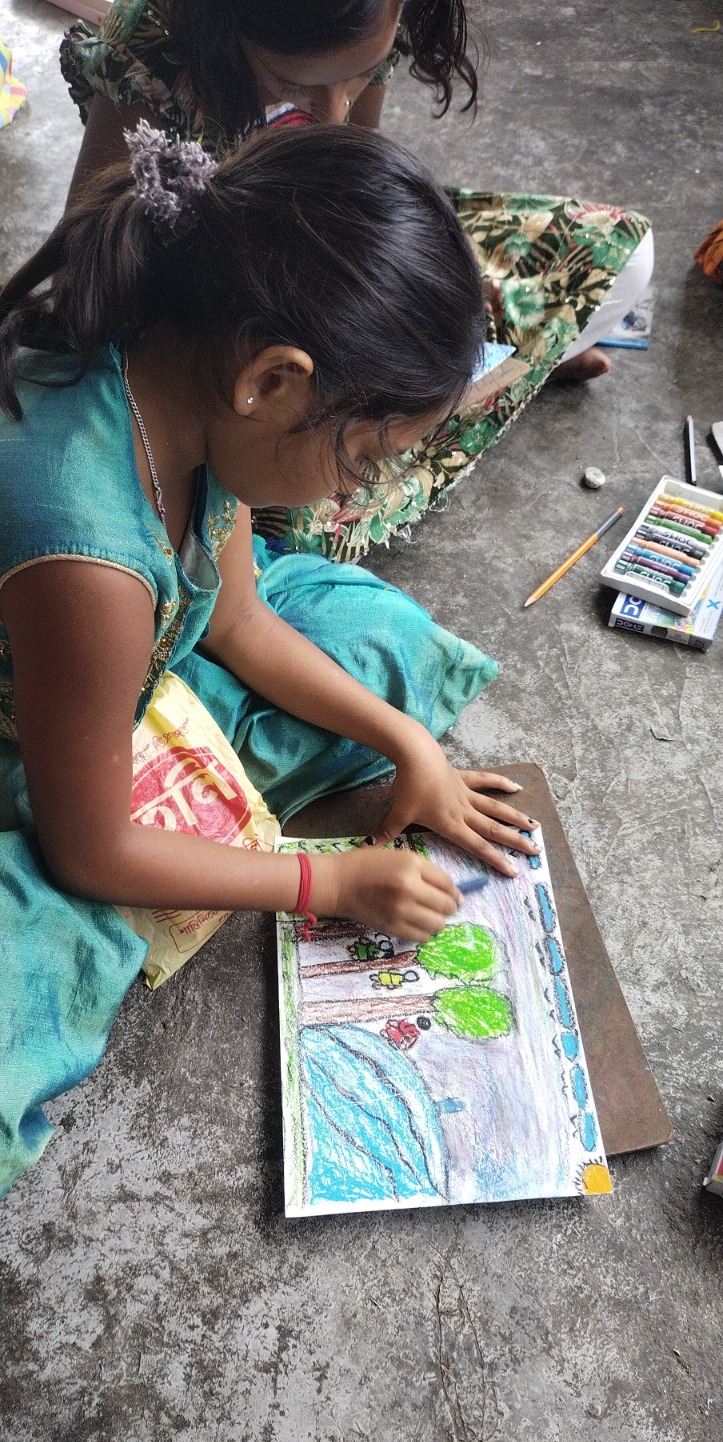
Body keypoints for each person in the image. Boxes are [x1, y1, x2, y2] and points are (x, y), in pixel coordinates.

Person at [0, 122, 538, 1198]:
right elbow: (92, 847)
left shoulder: (190, 374)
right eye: (364, 457)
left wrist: (407, 745)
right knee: (48, 966)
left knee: (382, 645)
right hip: (45, 745)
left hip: (123, 674)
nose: (356, 493)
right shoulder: (87, 554)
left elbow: (240, 622)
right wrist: (320, 879)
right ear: (275, 382)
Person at [59, 0, 654, 562]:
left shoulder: (367, 22)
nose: (332, 116)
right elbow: (87, 276)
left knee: (622, 250)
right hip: (235, 327)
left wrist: (422, 285)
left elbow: (357, 185)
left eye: (361, 76)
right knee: (299, 501)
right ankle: (510, 373)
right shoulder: (155, 52)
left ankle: (489, 375)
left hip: (336, 287)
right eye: (294, 84)